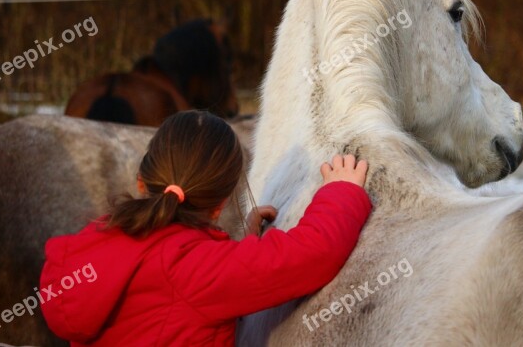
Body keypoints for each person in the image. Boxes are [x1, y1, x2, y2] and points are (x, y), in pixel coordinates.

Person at [40, 110, 371, 345]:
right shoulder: (196, 269)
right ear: (220, 204)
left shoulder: (93, 243)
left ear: (142, 183)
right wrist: (342, 191)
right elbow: (313, 254)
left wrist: (247, 242)